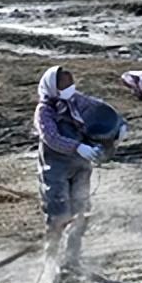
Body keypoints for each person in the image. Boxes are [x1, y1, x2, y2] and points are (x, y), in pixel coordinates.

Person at [34, 65, 111, 268]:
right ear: (52, 87)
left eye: (71, 83)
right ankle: (50, 261)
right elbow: (51, 137)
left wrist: (118, 124)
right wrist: (77, 147)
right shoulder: (45, 111)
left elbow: (99, 110)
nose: (70, 88)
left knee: (81, 212)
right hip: (55, 170)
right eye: (64, 85)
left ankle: (72, 258)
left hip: (80, 167)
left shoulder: (76, 101)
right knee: (58, 215)